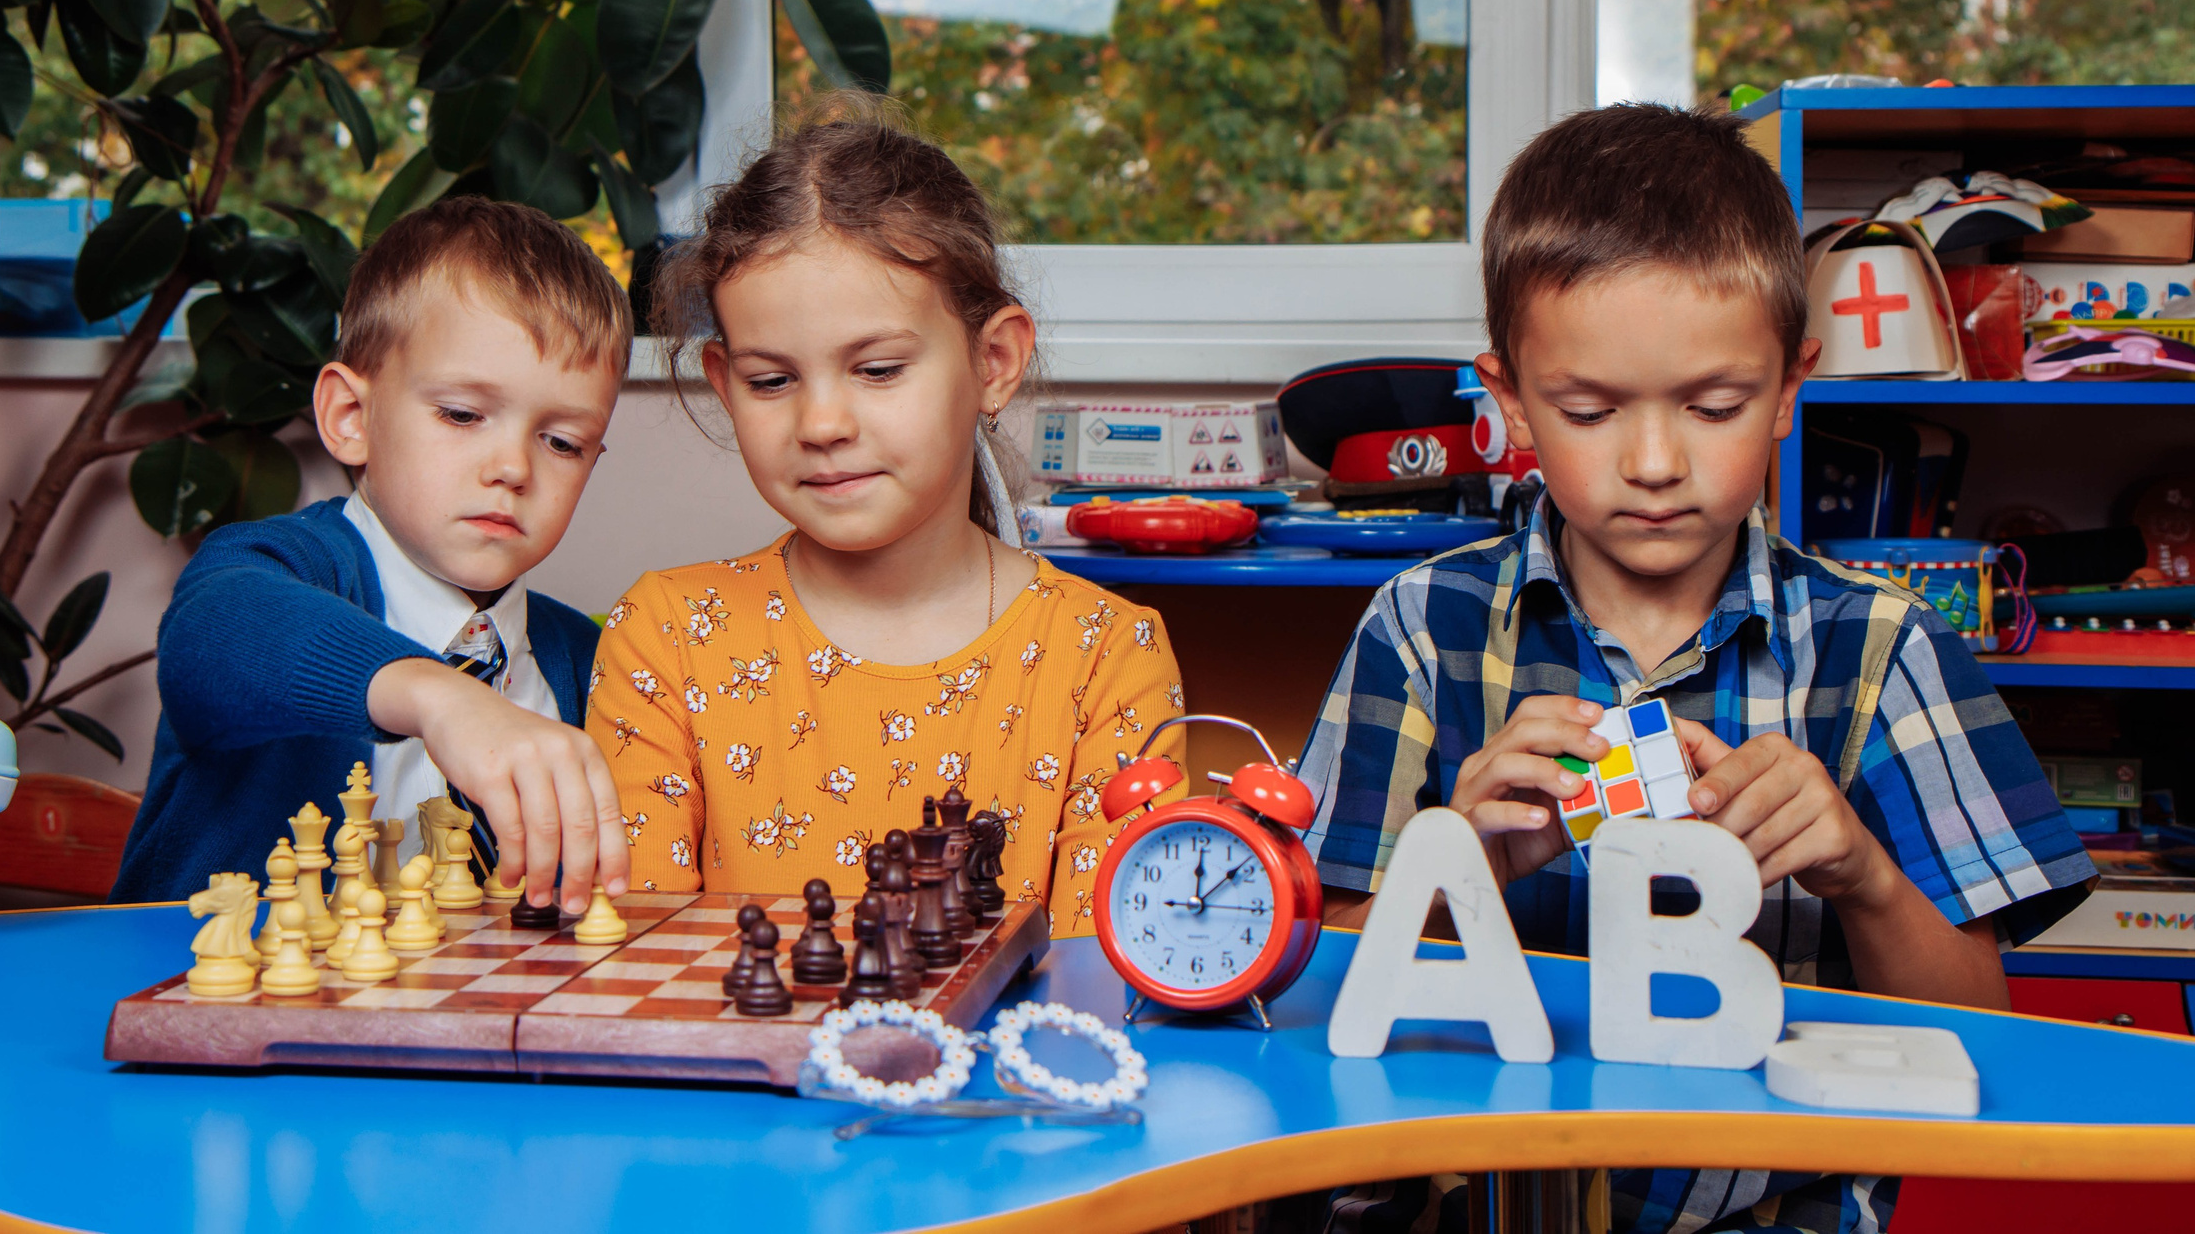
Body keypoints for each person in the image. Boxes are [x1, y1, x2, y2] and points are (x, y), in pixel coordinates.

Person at [1298, 103, 2090, 1234]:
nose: (1657, 463)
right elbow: (1315, 1011)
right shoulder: (1424, 629)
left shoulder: (1878, 650)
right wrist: (1455, 863)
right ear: (1512, 400)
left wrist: (1861, 873)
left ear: (1787, 387)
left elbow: (1973, 1038)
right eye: (1588, 410)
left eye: (1713, 406)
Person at [589, 109, 1185, 932]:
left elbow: (1097, 987)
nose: (823, 421)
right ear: (724, 384)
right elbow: (640, 967)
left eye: (877, 368)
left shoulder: (1108, 658)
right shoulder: (665, 637)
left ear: (993, 362)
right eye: (771, 381)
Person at [113, 198, 632, 912]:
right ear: (350, 418)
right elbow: (215, 632)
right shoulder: (280, 568)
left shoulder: (584, 657)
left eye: (563, 441)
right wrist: (440, 696)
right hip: (209, 1005)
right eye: (461, 414)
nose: (514, 467)